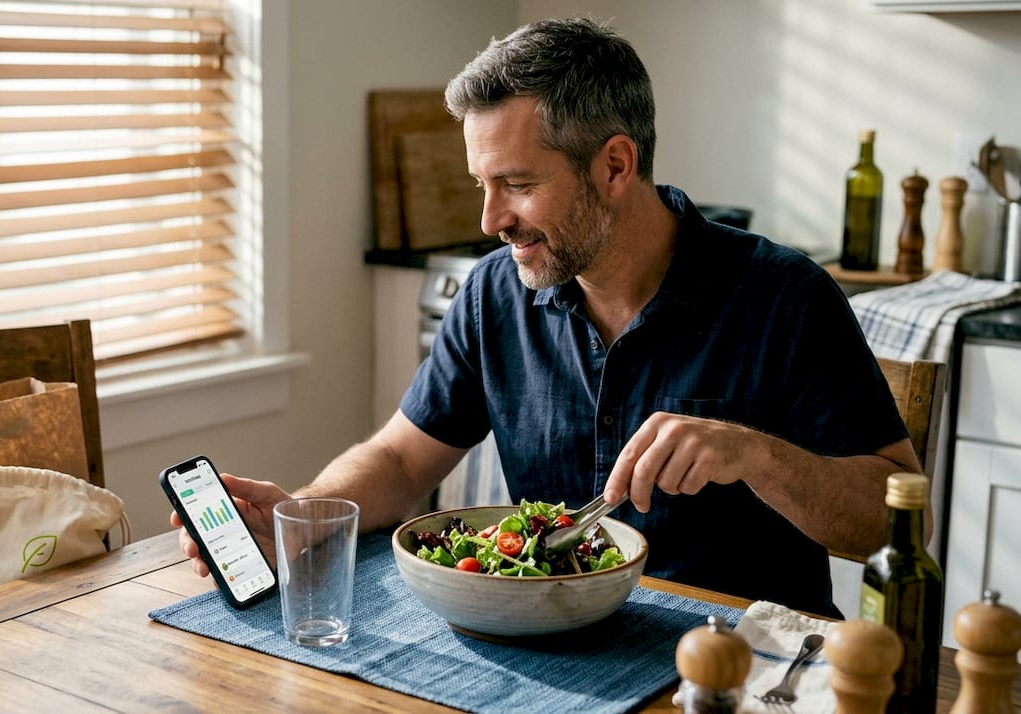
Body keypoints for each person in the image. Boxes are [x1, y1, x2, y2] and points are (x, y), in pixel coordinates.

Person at [173, 17, 919, 617]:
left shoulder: (785, 296)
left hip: (742, 669)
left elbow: (891, 522)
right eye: (480, 184)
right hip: (555, 655)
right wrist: (304, 520)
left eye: (517, 184)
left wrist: (756, 455)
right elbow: (402, 461)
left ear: (615, 167)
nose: (492, 217)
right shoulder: (495, 293)